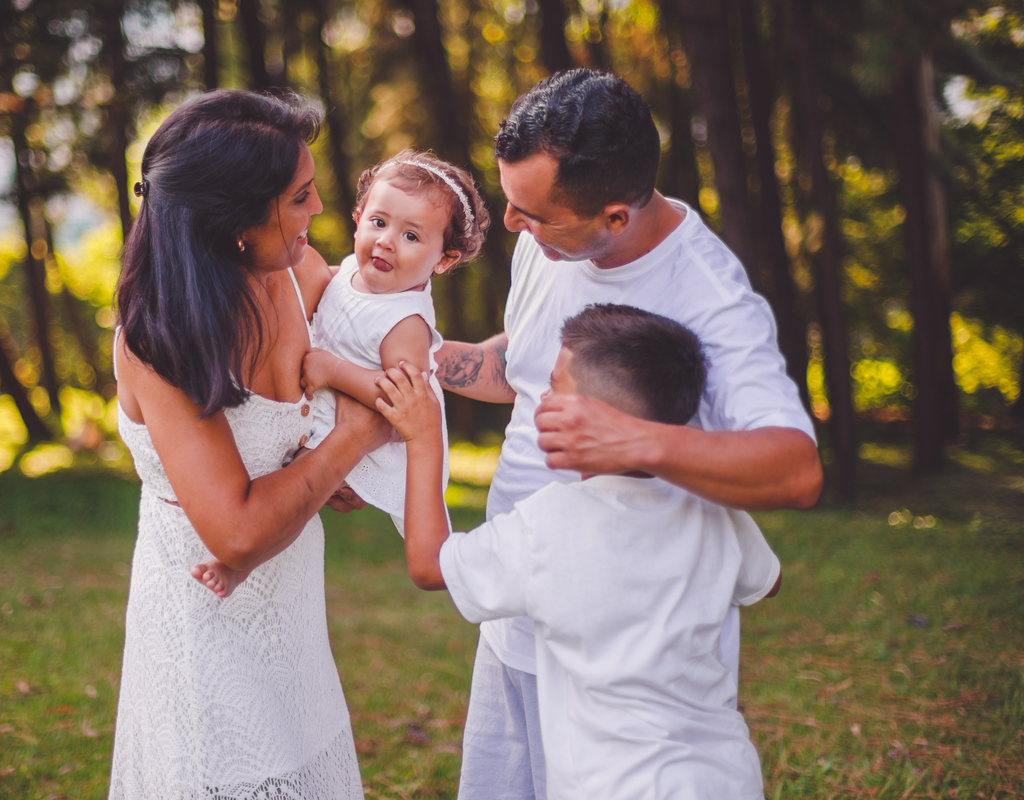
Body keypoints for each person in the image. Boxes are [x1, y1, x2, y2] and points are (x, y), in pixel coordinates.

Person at [434, 68, 823, 798]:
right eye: (510, 204)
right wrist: (413, 368)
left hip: (619, 662)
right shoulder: (544, 241)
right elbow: (517, 368)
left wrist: (636, 441)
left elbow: (796, 470)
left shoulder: (708, 298)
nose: (512, 226)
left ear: (615, 216)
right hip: (518, 616)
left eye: (533, 214)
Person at [376, 303, 783, 799]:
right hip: (723, 778)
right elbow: (768, 580)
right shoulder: (712, 509)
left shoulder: (548, 522)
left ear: (598, 420)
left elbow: (428, 565)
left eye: (554, 387)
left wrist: (423, 441)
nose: (540, 398)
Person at [108, 90, 391, 799]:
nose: (319, 210)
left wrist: (321, 464)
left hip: (290, 605)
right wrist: (353, 437)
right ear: (236, 220)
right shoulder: (159, 341)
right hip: (204, 627)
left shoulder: (298, 272)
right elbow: (233, 531)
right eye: (299, 197)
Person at [192, 150, 488, 578]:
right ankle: (241, 553)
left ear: (444, 259)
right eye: (379, 222)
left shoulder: (405, 322)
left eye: (411, 236)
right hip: (328, 409)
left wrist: (331, 370)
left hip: (370, 433)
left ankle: (237, 562)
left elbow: (402, 401)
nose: (386, 241)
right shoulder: (351, 271)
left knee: (293, 481)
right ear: (358, 217)